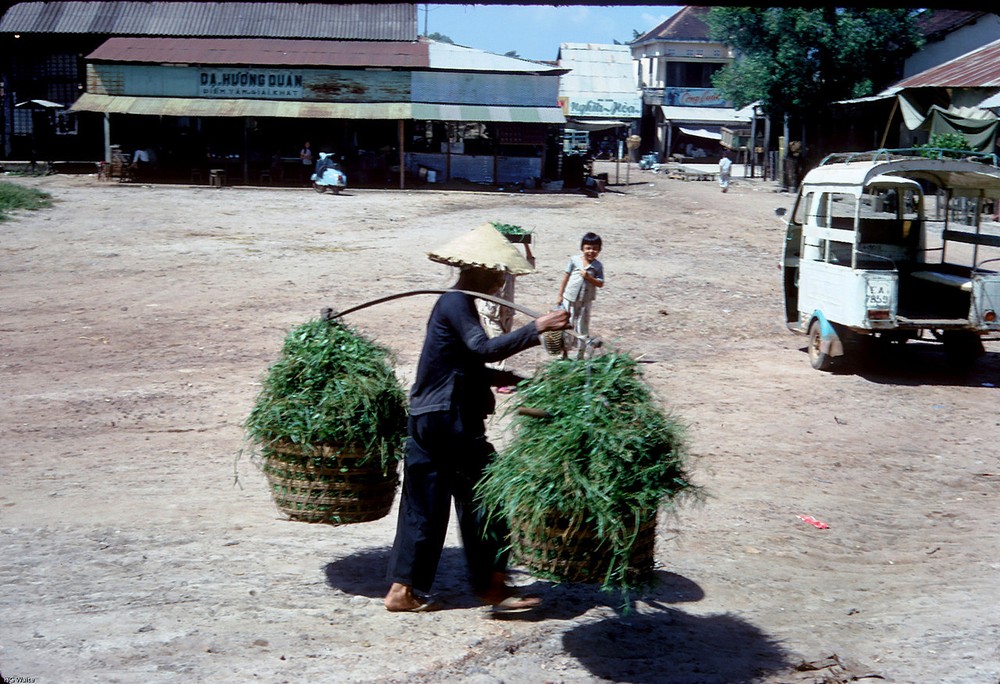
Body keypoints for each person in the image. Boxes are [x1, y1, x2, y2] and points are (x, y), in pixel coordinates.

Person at [385, 228, 569, 615]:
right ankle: (491, 587)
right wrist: (536, 330)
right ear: (482, 273)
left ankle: (402, 590)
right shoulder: (456, 303)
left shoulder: (454, 305)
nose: (503, 279)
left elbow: (465, 365)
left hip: (425, 418)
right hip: (450, 420)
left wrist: (519, 382)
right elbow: (481, 350)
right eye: (499, 272)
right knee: (487, 495)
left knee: (424, 504)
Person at [476, 231, 535, 382]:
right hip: (490, 311)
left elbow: (529, 266)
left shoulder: (511, 268)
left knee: (501, 343)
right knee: (498, 342)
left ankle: (488, 374)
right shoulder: (490, 267)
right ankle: (497, 376)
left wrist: (526, 245)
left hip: (506, 311)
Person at [556, 232, 604, 358]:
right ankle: (564, 353)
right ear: (582, 248)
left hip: (586, 300)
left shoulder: (597, 266)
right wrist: (560, 295)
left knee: (582, 326)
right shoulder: (574, 260)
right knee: (567, 323)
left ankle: (580, 354)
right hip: (570, 297)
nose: (591, 251)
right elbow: (566, 277)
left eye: (595, 249)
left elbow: (600, 283)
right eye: (588, 248)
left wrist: (589, 278)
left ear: (599, 250)